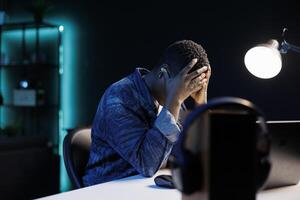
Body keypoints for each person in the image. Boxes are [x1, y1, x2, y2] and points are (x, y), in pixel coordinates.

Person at [83, 40, 211, 186]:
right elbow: (147, 165)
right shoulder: (118, 99)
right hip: (106, 190)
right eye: (185, 87)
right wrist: (174, 101)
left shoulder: (173, 98)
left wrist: (201, 105)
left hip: (143, 188)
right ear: (164, 73)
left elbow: (190, 153)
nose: (186, 95)